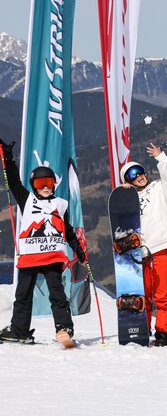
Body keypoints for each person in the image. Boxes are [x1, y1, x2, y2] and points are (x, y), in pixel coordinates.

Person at [0, 139, 86, 345]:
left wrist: (77, 249)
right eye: (40, 184)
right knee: (23, 294)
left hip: (52, 256)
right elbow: (13, 182)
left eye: (49, 183)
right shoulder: (27, 200)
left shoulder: (61, 204)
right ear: (34, 186)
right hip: (30, 256)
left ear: (54, 185)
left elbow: (68, 231)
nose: (46, 187)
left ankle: (64, 328)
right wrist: (8, 158)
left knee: (57, 293)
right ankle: (19, 329)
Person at [119, 143, 167, 347]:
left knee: (162, 293)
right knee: (142, 294)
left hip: (161, 246)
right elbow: (120, 219)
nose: (138, 176)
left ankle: (163, 332)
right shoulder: (128, 197)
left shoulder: (160, 190)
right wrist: (123, 193)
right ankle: (142, 328)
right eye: (132, 175)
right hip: (139, 252)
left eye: (140, 172)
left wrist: (161, 157)